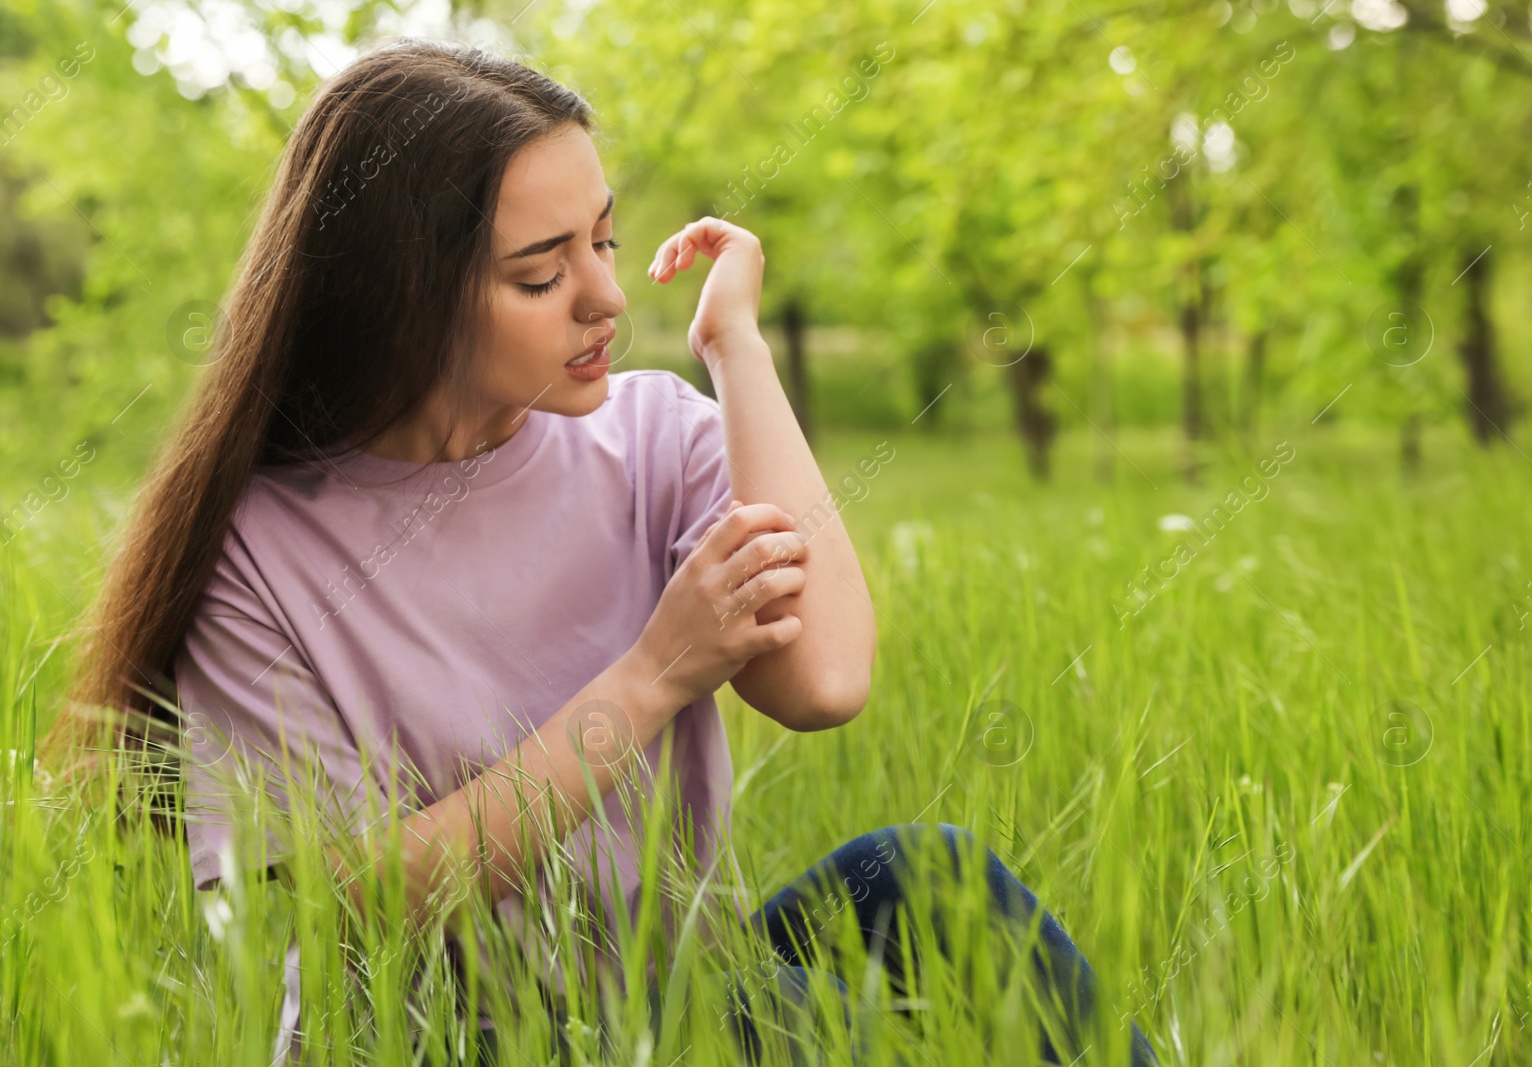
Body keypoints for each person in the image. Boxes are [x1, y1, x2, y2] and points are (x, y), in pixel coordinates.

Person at [40, 37, 1157, 1067]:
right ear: (401, 301)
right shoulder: (258, 552)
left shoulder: (651, 435)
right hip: (429, 1042)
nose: (608, 298)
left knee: (925, 873)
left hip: (656, 1003)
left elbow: (824, 681)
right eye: (541, 273)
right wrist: (653, 675)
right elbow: (325, 910)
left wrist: (738, 355)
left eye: (606, 239)